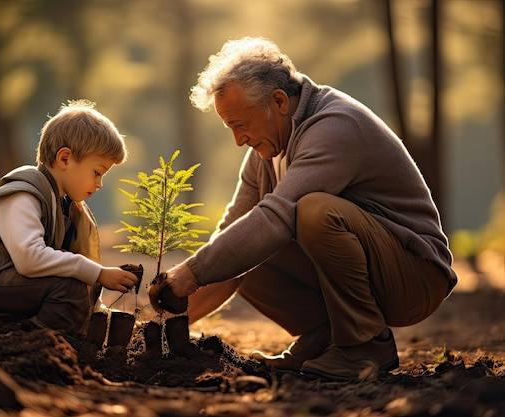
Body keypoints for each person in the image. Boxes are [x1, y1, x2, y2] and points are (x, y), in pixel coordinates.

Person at [149, 37, 457, 381]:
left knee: (311, 211)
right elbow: (232, 236)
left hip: (415, 278)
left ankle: (364, 345)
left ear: (279, 101)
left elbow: (277, 218)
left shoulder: (336, 125)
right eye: (230, 127)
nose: (238, 140)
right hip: (374, 274)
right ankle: (323, 336)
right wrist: (165, 324)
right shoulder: (264, 153)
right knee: (240, 244)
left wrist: (188, 274)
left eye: (241, 124)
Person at [0, 100, 138, 335]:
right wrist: (98, 272)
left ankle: (31, 326)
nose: (99, 184)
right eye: (97, 172)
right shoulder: (22, 194)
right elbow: (29, 258)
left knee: (81, 285)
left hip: (5, 278)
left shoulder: (66, 206)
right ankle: (30, 337)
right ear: (65, 159)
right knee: (69, 289)